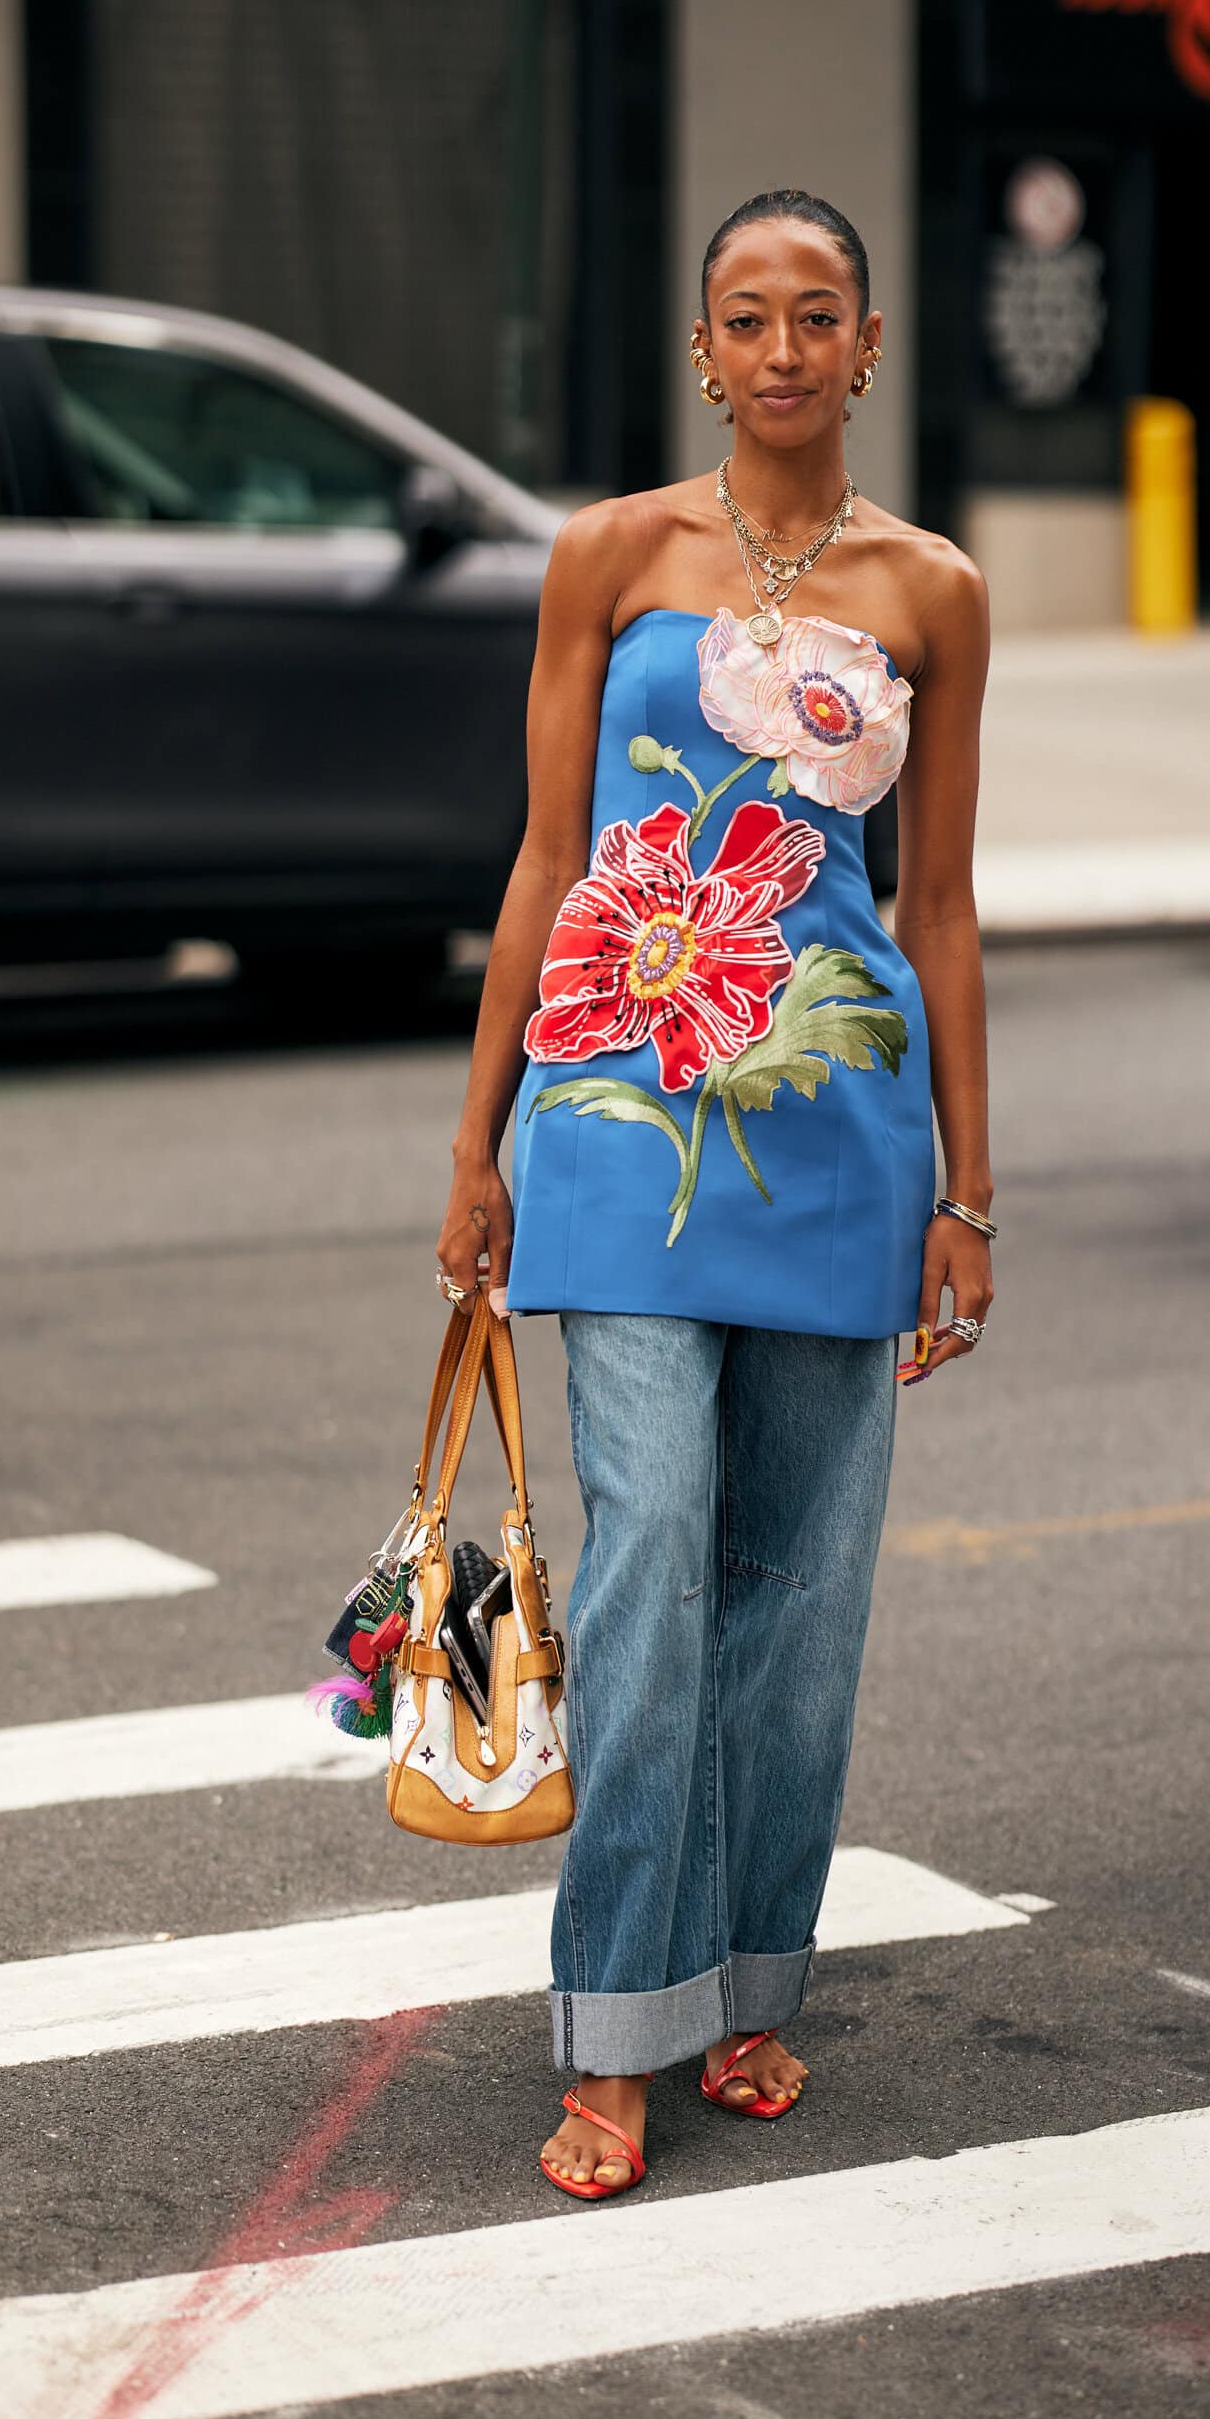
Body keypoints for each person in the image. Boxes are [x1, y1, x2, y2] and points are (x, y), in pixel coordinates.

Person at [435, 187, 994, 2198]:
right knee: (652, 1544)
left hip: (839, 1138)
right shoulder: (607, 557)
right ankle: (616, 2019)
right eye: (745, 316)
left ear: (867, 346)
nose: (779, 347)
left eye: (814, 314)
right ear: (703, 349)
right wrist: (478, 1140)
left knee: (800, 1594)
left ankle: (748, 1980)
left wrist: (969, 1192)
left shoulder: (934, 592)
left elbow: (937, 907)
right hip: (612, 1109)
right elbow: (543, 858)